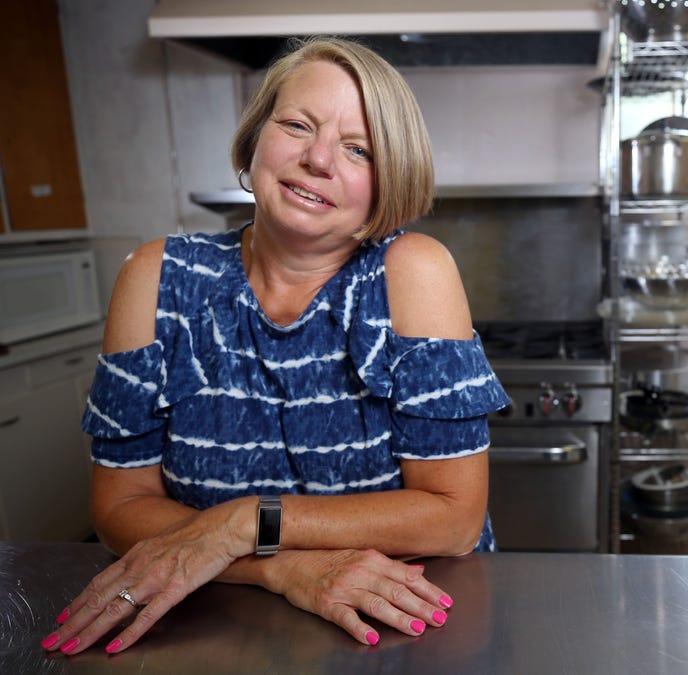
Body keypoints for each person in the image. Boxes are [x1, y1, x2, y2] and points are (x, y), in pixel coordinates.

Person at [40, 36, 508, 656]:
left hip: (405, 626)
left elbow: (453, 520)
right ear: (257, 137)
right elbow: (119, 506)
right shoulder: (153, 278)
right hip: (218, 624)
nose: (318, 159)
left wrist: (243, 522)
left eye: (358, 149)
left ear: (388, 181)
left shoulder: (411, 271)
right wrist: (280, 568)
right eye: (296, 124)